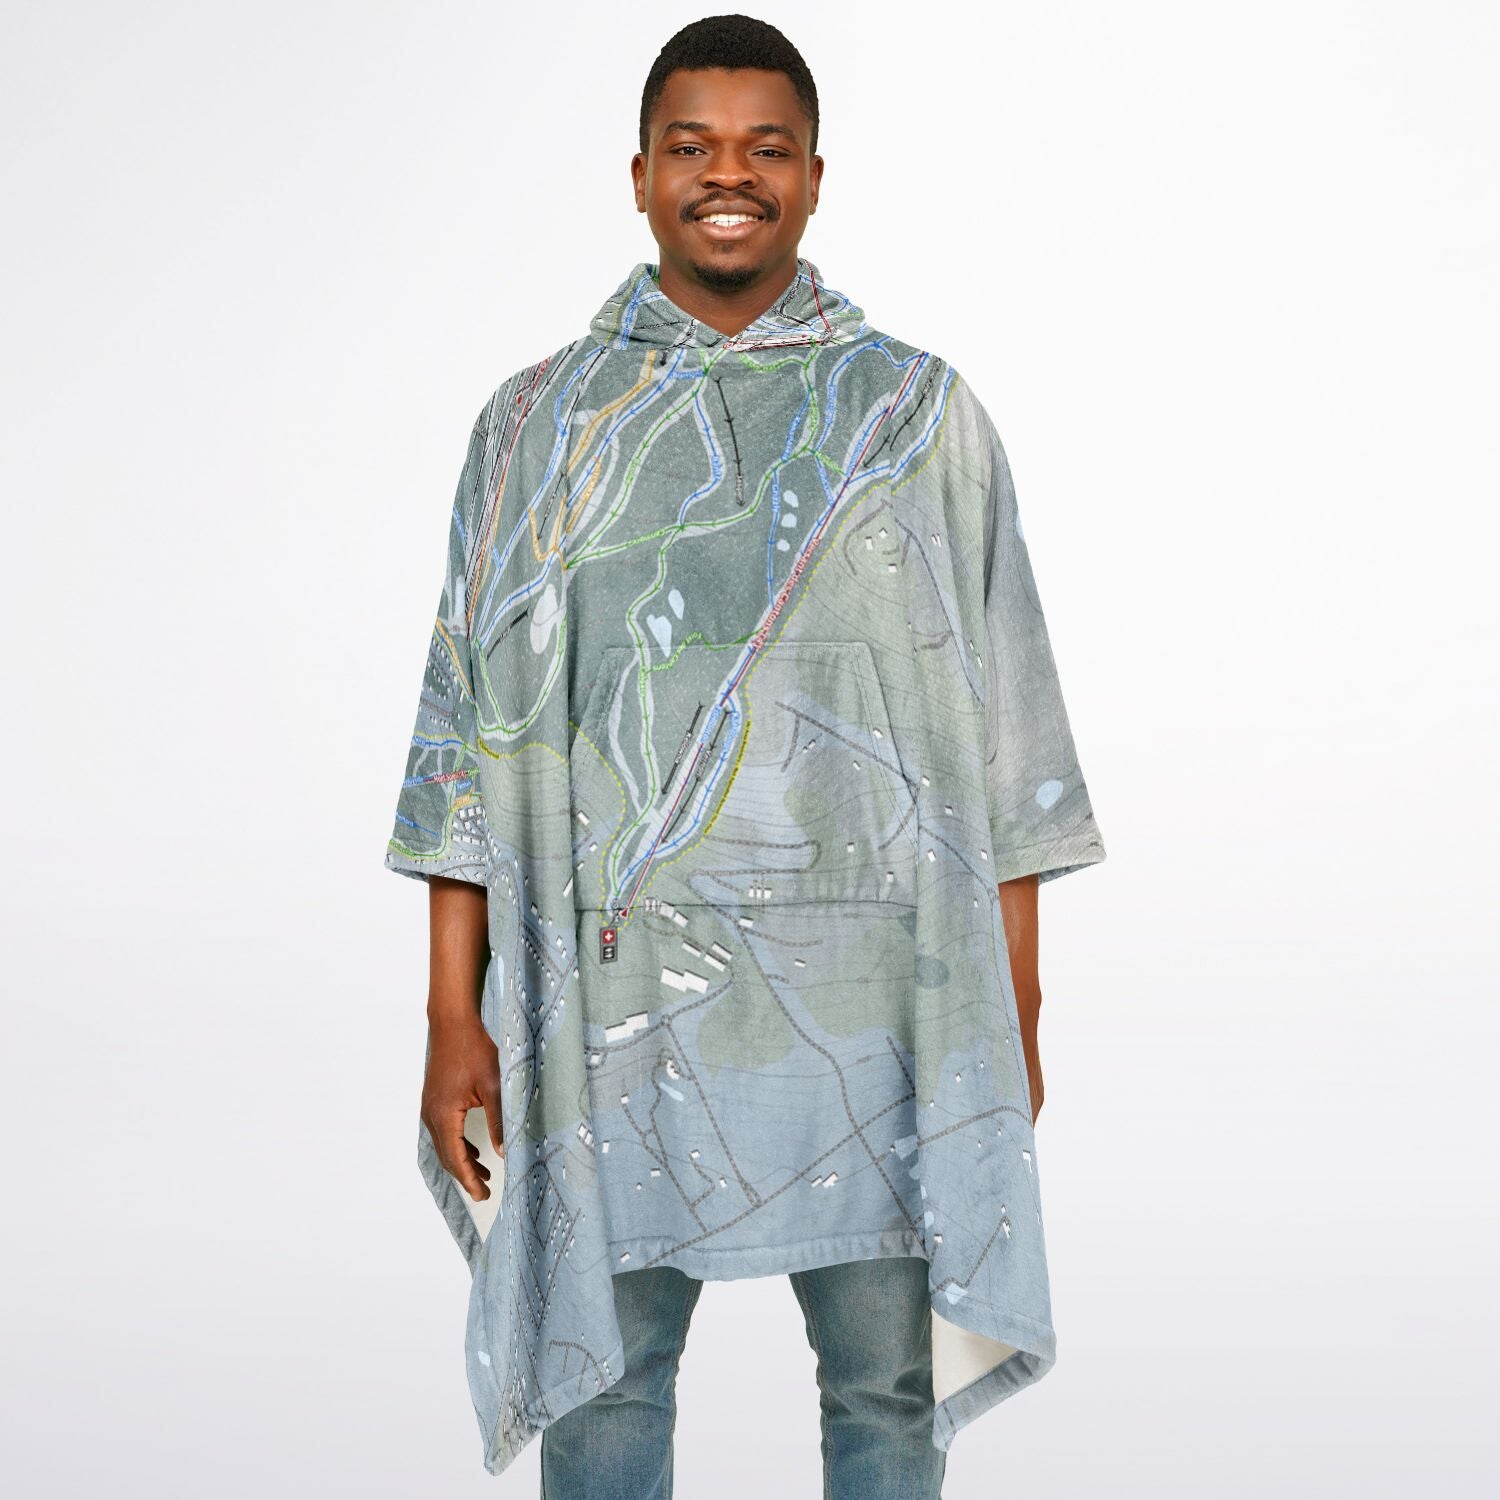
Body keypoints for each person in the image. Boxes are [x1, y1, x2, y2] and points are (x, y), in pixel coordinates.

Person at [382, 14, 1107, 1496]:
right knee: (606, 1392)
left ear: (816, 176)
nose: (730, 176)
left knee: (889, 1393)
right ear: (640, 176)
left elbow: (1009, 731)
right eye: (693, 147)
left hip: (882, 1008)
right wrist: (454, 1015)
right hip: (611, 1009)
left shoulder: (918, 417)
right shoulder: (536, 429)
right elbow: (468, 739)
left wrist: (1014, 1005)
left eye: (766, 148)